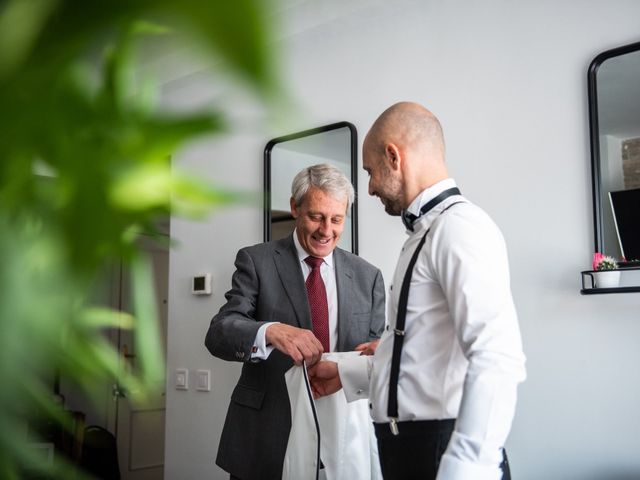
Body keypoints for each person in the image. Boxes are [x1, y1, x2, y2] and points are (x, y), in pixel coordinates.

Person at [309, 102, 526, 480]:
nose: (372, 186)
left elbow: (497, 356)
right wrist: (350, 373)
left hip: (441, 454)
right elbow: (425, 354)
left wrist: (464, 468)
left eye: (370, 171)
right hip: (409, 450)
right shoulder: (425, 233)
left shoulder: (460, 228)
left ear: (394, 156)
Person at [205, 163, 386, 480]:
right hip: (268, 435)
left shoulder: (367, 276)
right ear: (294, 207)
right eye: (316, 216)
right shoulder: (256, 260)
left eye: (336, 219)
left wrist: (378, 350)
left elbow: (373, 351)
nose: (326, 230)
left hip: (344, 439)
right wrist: (270, 331)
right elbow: (219, 332)